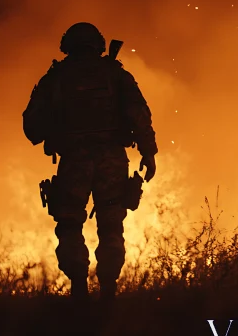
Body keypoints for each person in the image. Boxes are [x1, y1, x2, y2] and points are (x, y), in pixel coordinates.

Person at [23, 22, 158, 300]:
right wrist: (148, 152)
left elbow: (32, 127)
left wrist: (58, 126)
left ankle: (79, 288)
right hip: (112, 159)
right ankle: (108, 287)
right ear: (97, 45)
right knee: (111, 224)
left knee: (70, 222)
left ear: (67, 46)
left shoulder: (56, 77)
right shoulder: (115, 74)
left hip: (74, 160)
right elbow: (139, 115)